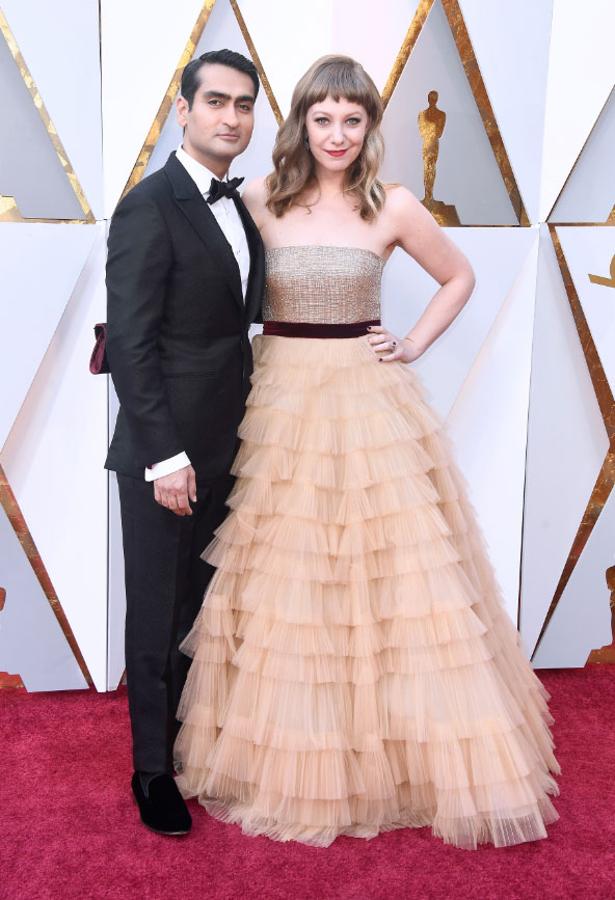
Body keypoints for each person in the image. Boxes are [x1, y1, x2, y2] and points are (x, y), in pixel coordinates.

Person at [173, 55, 560, 849]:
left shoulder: (393, 205)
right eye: (323, 118)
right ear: (300, 124)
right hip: (277, 397)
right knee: (287, 574)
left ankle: (394, 755)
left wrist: (411, 342)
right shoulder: (257, 199)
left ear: (370, 127)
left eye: (353, 120)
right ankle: (292, 753)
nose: (338, 134)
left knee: (388, 580)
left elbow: (458, 276)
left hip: (364, 396)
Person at [105, 49, 264, 836]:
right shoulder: (149, 205)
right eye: (216, 102)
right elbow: (130, 345)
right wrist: (164, 458)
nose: (230, 117)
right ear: (183, 108)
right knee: (159, 611)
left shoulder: (238, 204)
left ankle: (193, 748)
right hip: (166, 453)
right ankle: (152, 772)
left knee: (204, 607)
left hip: (232, 441)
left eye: (243, 105)